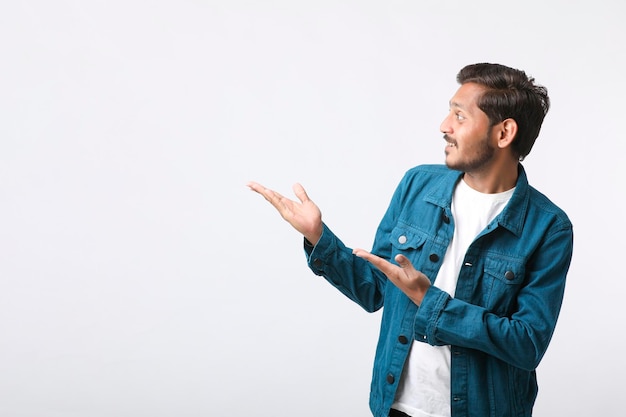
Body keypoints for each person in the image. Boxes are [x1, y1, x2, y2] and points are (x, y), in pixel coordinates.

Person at [247, 63, 573, 417]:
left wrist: (428, 300)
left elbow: (527, 343)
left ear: (504, 132)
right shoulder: (417, 186)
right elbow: (374, 287)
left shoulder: (547, 227)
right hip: (395, 407)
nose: (444, 126)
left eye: (460, 116)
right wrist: (317, 236)